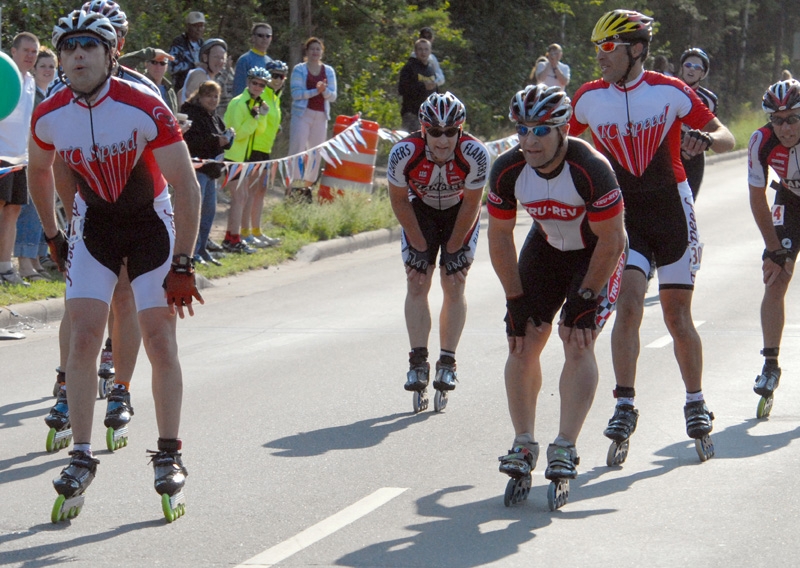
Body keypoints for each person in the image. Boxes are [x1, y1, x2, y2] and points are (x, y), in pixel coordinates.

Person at [28, 9, 201, 521]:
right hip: (97, 226)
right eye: (68, 48)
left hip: (152, 223)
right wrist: (55, 234)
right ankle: (81, 455)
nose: (77, 55)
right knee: (83, 337)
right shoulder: (50, 113)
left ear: (112, 54)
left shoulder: (143, 103)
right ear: (59, 58)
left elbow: (187, 187)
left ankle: (169, 452)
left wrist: (185, 261)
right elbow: (41, 172)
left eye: (89, 46)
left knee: (159, 337)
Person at [569, 10, 735, 460]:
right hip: (627, 217)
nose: (599, 57)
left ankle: (695, 400)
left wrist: (703, 137)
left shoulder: (670, 90)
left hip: (672, 209)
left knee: (677, 316)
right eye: (596, 48)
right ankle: (625, 403)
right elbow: (557, 146)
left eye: (607, 48)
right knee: (628, 304)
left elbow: (727, 137)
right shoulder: (587, 98)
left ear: (635, 49)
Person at [488, 84, 626, 499]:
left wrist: (585, 299)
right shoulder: (508, 168)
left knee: (577, 341)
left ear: (564, 129)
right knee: (521, 343)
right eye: (522, 129)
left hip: (596, 255)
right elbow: (498, 237)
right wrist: (514, 300)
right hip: (547, 248)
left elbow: (613, 241)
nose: (529, 140)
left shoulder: (591, 168)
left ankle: (565, 444)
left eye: (541, 130)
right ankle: (523, 441)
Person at [386, 92, 489, 411]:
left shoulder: (475, 153)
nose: (442, 141)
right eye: (434, 132)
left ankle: (448, 361)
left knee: (454, 281)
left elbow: (472, 203)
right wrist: (419, 246)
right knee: (417, 281)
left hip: (459, 212)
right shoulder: (403, 152)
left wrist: (454, 248)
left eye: (450, 132)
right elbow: (399, 200)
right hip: (421, 212)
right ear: (422, 129)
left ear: (461, 130)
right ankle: (418, 361)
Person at [747, 79, 800, 416]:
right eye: (776, 120)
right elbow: (756, 197)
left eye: (793, 118)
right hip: (790, 201)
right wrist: (772, 248)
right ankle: (770, 365)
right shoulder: (761, 141)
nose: (784, 128)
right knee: (775, 277)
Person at [0, 31, 39, 288]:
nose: (30, 56)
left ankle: (5, 269)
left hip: (19, 157)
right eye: (26, 50)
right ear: (13, 52)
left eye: (34, 52)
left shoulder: (32, 82)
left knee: (13, 211)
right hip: (0, 154)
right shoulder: (5, 76)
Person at [181, 81, 233, 266]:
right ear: (200, 96)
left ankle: (202, 250)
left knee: (209, 213)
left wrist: (228, 138)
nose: (212, 100)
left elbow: (224, 142)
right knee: (196, 212)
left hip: (212, 172)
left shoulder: (215, 117)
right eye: (209, 96)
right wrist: (215, 141)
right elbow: (190, 142)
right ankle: (191, 252)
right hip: (198, 171)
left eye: (216, 96)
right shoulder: (191, 114)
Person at [14, 46, 55, 282]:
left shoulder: (48, 94)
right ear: (35, 69)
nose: (48, 70)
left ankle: (37, 258)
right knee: (28, 210)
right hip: (27, 156)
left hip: (45, 159)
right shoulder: (29, 92)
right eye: (43, 66)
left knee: (42, 208)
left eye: (51, 66)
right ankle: (26, 262)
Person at [221, 66, 272, 253]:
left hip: (244, 157)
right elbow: (239, 134)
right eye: (255, 83)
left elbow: (259, 131)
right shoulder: (238, 103)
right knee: (239, 197)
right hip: (232, 156)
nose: (258, 87)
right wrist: (254, 118)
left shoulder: (254, 104)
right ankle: (233, 239)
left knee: (240, 197)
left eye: (262, 85)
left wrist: (262, 117)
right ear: (248, 83)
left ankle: (231, 237)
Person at [240, 60, 288, 250]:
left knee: (261, 189)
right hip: (254, 147)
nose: (277, 80)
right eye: (274, 75)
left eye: (281, 76)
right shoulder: (262, 94)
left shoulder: (276, 97)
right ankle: (245, 232)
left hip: (266, 148)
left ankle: (256, 230)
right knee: (250, 191)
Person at [288, 37, 337, 194]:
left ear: (322, 52)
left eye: (318, 49)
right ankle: (293, 186)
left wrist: (324, 91)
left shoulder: (328, 71)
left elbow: (333, 96)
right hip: (302, 115)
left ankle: (307, 186)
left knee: (315, 153)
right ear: (307, 52)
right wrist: (316, 91)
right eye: (312, 49)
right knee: (298, 149)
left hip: (321, 116)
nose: (315, 52)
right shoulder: (299, 69)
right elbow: (296, 94)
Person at [678, 48, 719, 200]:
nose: (691, 70)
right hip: (668, 156)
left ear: (703, 74)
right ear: (681, 67)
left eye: (697, 68)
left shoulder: (709, 99)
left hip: (693, 157)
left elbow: (712, 129)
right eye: (688, 65)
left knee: (688, 203)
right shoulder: (667, 91)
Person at [118, 47, 179, 114]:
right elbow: (119, 64)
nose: (158, 67)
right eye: (154, 62)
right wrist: (149, 53)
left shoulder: (170, 91)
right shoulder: (137, 83)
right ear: (146, 64)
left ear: (166, 67)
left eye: (162, 63)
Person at [398, 38, 437, 134]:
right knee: (413, 145)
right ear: (415, 51)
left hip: (428, 117)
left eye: (426, 49)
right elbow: (402, 89)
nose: (423, 52)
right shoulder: (409, 67)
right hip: (412, 114)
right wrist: (423, 87)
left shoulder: (431, 70)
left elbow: (435, 92)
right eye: (420, 49)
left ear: (430, 51)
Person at [180, 38, 227, 107]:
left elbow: (179, 94)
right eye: (216, 57)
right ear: (205, 57)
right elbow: (190, 95)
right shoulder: (200, 75)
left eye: (222, 58)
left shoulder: (203, 75)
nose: (220, 61)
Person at [233, 23, 274, 97]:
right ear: (253, 38)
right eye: (260, 35)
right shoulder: (244, 60)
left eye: (268, 36)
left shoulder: (271, 62)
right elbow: (239, 90)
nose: (264, 38)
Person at [169, 11, 205, 91]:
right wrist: (192, 65)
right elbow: (172, 67)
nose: (198, 29)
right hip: (182, 88)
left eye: (201, 26)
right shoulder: (179, 43)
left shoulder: (203, 44)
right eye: (195, 26)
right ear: (188, 26)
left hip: (200, 89)